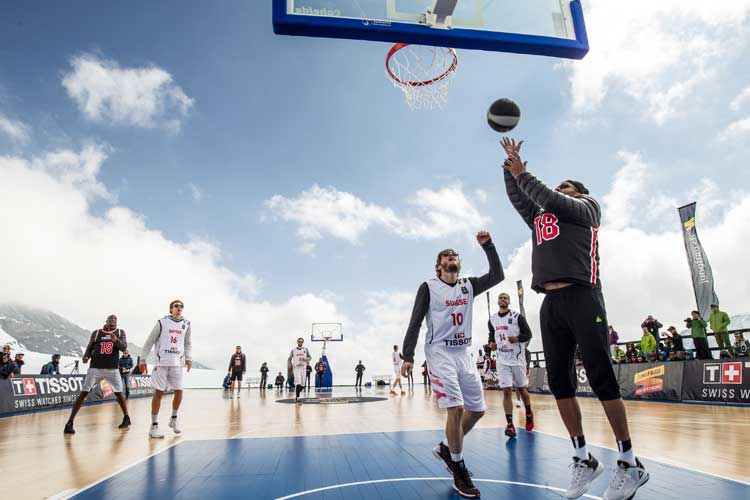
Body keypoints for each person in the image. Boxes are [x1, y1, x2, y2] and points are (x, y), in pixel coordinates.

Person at [501, 137, 648, 500]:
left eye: (564, 185)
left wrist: (525, 174)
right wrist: (508, 170)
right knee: (559, 384)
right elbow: (524, 198)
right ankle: (583, 458)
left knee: (601, 378)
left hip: (583, 296)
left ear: (579, 192)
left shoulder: (587, 208)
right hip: (550, 302)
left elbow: (548, 197)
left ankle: (630, 461)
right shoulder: (541, 218)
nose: (556, 189)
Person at [401, 230, 503, 498]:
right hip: (439, 352)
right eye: (447, 256)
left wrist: (488, 246)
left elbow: (497, 276)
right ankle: (458, 467)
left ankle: (447, 447)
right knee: (455, 408)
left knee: (478, 410)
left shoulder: (468, 286)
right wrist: (408, 356)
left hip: (463, 352)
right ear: (439, 266)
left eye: (455, 255)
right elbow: (414, 322)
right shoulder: (428, 287)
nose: (451, 257)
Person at [64, 314, 130, 434]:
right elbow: (90, 347)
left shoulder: (120, 332)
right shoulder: (97, 332)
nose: (113, 321)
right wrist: (86, 356)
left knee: (119, 393)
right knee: (84, 392)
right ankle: (70, 422)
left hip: (112, 369)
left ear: (117, 322)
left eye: (115, 319)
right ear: (106, 321)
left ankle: (126, 417)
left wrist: (115, 339)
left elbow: (123, 347)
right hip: (95, 368)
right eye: (111, 319)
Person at [140, 299, 192, 439]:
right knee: (159, 393)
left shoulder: (186, 324)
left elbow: (187, 343)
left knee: (179, 391)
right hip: (162, 362)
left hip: (177, 363)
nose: (179, 308)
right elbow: (150, 341)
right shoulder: (162, 322)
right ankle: (154, 425)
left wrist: (189, 358)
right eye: (176, 306)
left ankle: (173, 418)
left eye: (181, 306)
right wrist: (143, 359)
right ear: (171, 309)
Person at [488, 292, 534, 439]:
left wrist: (518, 338)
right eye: (501, 297)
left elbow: (528, 334)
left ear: (509, 301)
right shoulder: (492, 319)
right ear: (497, 301)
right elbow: (491, 335)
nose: (503, 299)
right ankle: (510, 424)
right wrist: (491, 344)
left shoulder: (517, 316)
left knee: (521, 389)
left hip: (517, 359)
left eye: (505, 298)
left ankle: (528, 412)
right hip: (502, 359)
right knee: (506, 391)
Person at [288, 338, 312, 404]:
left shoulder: (305, 349)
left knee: (303, 385)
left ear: (303, 342)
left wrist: (305, 359)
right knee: (298, 382)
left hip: (303, 368)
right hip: (296, 368)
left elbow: (310, 358)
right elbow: (289, 358)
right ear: (297, 342)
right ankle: (298, 397)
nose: (300, 342)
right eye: (299, 341)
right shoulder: (293, 350)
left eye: (301, 341)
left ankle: (297, 395)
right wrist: (290, 364)